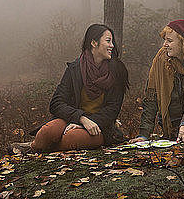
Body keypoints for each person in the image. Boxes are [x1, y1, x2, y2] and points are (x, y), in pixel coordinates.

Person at [14, 24, 129, 153]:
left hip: (99, 126)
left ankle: (33, 149)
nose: (112, 45)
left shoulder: (117, 71)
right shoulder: (75, 69)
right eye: (108, 41)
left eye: (112, 42)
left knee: (71, 138)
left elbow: (112, 110)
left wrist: (88, 122)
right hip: (72, 119)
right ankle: (34, 147)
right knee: (48, 131)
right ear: (94, 43)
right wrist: (81, 118)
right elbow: (56, 103)